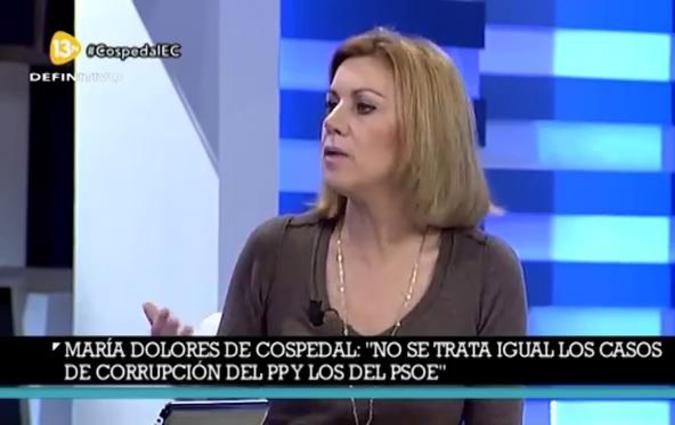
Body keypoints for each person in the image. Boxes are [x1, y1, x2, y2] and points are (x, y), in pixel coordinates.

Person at [144, 27, 527, 425]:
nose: (332, 121)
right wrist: (192, 383)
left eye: (364, 107)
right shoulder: (276, 251)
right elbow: (226, 409)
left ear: (424, 132)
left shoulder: (486, 272)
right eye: (331, 103)